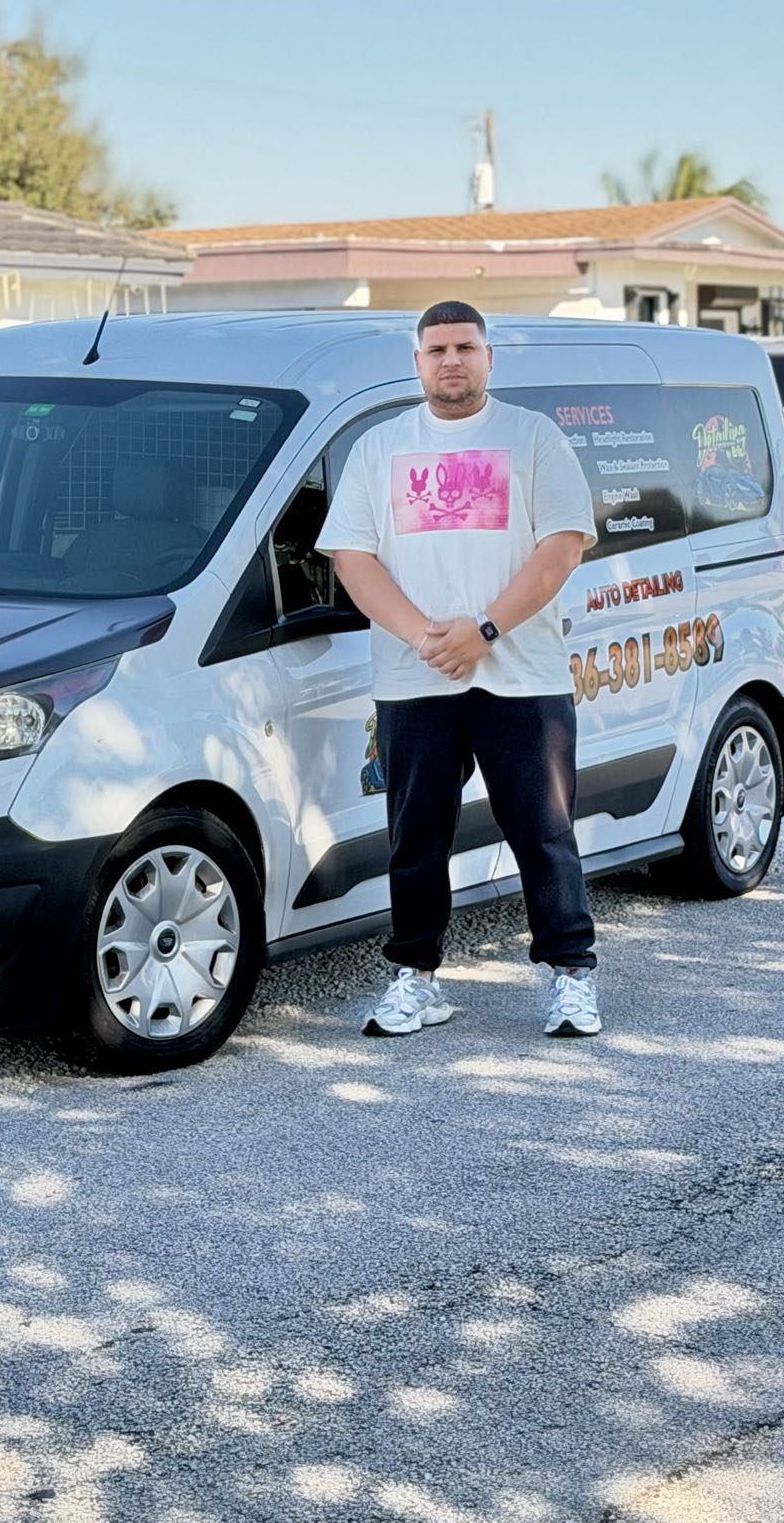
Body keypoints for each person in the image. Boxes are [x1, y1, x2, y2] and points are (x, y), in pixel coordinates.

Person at [316, 300, 602, 1040]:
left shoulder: (532, 438)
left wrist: (483, 630)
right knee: (415, 839)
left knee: (542, 830)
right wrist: (424, 638)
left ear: (488, 357)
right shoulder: (380, 448)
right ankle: (415, 978)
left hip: (521, 678)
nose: (452, 360)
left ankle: (571, 976)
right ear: (417, 362)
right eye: (437, 348)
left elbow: (562, 548)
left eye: (465, 347)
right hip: (416, 681)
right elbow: (353, 557)